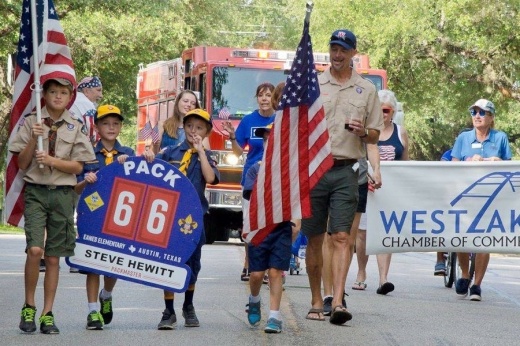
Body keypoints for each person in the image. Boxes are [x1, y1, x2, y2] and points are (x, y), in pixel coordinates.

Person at [301, 29, 383, 325]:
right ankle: (314, 299)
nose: (337, 55)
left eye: (343, 50)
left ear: (353, 53)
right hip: (315, 170)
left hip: (347, 170)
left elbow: (375, 134)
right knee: (314, 238)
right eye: (333, 49)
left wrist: (363, 131)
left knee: (342, 236)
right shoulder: (313, 85)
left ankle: (337, 301)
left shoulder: (366, 89)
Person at [9, 77, 95, 334]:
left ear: (70, 97)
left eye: (64, 93)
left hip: (62, 194)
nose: (58, 96)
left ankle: (47, 313)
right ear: (44, 94)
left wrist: (52, 160)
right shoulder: (31, 122)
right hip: (36, 191)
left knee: (54, 257)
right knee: (35, 250)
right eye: (53, 91)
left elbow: (79, 166)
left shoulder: (75, 126)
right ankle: (29, 305)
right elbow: (22, 164)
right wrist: (34, 140)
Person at [143, 108, 220, 329]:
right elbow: (152, 170)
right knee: (168, 261)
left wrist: (202, 152)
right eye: (189, 126)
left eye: (199, 128)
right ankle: (168, 310)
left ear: (206, 132)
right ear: (183, 127)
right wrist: (149, 156)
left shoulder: (207, 156)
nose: (193, 131)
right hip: (170, 217)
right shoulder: (171, 152)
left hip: (193, 219)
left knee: (192, 264)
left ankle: (188, 305)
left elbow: (210, 177)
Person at [74, 105, 135, 330]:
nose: (111, 128)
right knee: (93, 265)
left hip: (119, 218)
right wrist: (85, 180)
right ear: (97, 127)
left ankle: (106, 295)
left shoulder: (127, 153)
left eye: (116, 124)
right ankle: (92, 312)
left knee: (113, 264)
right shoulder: (87, 153)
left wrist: (131, 164)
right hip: (93, 215)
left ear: (120, 127)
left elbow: (139, 184)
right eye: (106, 123)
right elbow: (76, 188)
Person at [451, 99, 512, 301]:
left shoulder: (500, 138)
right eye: (474, 111)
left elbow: (509, 168)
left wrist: (499, 162)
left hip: (491, 196)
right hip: (466, 193)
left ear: (491, 117)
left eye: (482, 112)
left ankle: (477, 285)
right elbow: (453, 165)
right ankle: (465, 275)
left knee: (484, 239)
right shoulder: (463, 138)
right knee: (461, 236)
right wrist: (469, 161)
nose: (477, 116)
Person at [352, 89, 409, 295]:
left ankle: (384, 278)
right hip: (366, 187)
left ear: (393, 112)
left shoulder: (401, 132)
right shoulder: (367, 131)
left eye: (386, 110)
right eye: (379, 109)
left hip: (389, 190)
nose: (382, 114)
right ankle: (361, 273)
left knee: (386, 231)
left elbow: (406, 163)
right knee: (362, 233)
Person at [221, 82, 276, 282]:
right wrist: (233, 137)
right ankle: (249, 264)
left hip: (274, 178)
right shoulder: (248, 120)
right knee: (250, 223)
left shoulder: (280, 119)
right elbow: (237, 151)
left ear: (274, 98)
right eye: (261, 95)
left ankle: (271, 268)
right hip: (252, 179)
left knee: (271, 222)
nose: (264, 99)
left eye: (268, 95)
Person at [244, 124, 293, 333]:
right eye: (265, 140)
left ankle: (274, 316)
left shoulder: (291, 170)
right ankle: (254, 299)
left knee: (275, 272)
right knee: (256, 274)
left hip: (281, 226)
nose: (269, 143)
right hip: (259, 227)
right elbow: (249, 198)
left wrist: (296, 222)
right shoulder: (256, 168)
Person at [322, 143, 381, 314]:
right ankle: (327, 295)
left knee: (346, 240)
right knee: (329, 237)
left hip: (358, 177)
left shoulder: (363, 116)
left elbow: (371, 143)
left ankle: (338, 295)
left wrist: (376, 169)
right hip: (327, 173)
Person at [69, 76, 103, 145]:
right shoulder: (86, 103)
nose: (101, 95)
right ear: (86, 91)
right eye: (98, 90)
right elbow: (94, 135)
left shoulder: (73, 99)